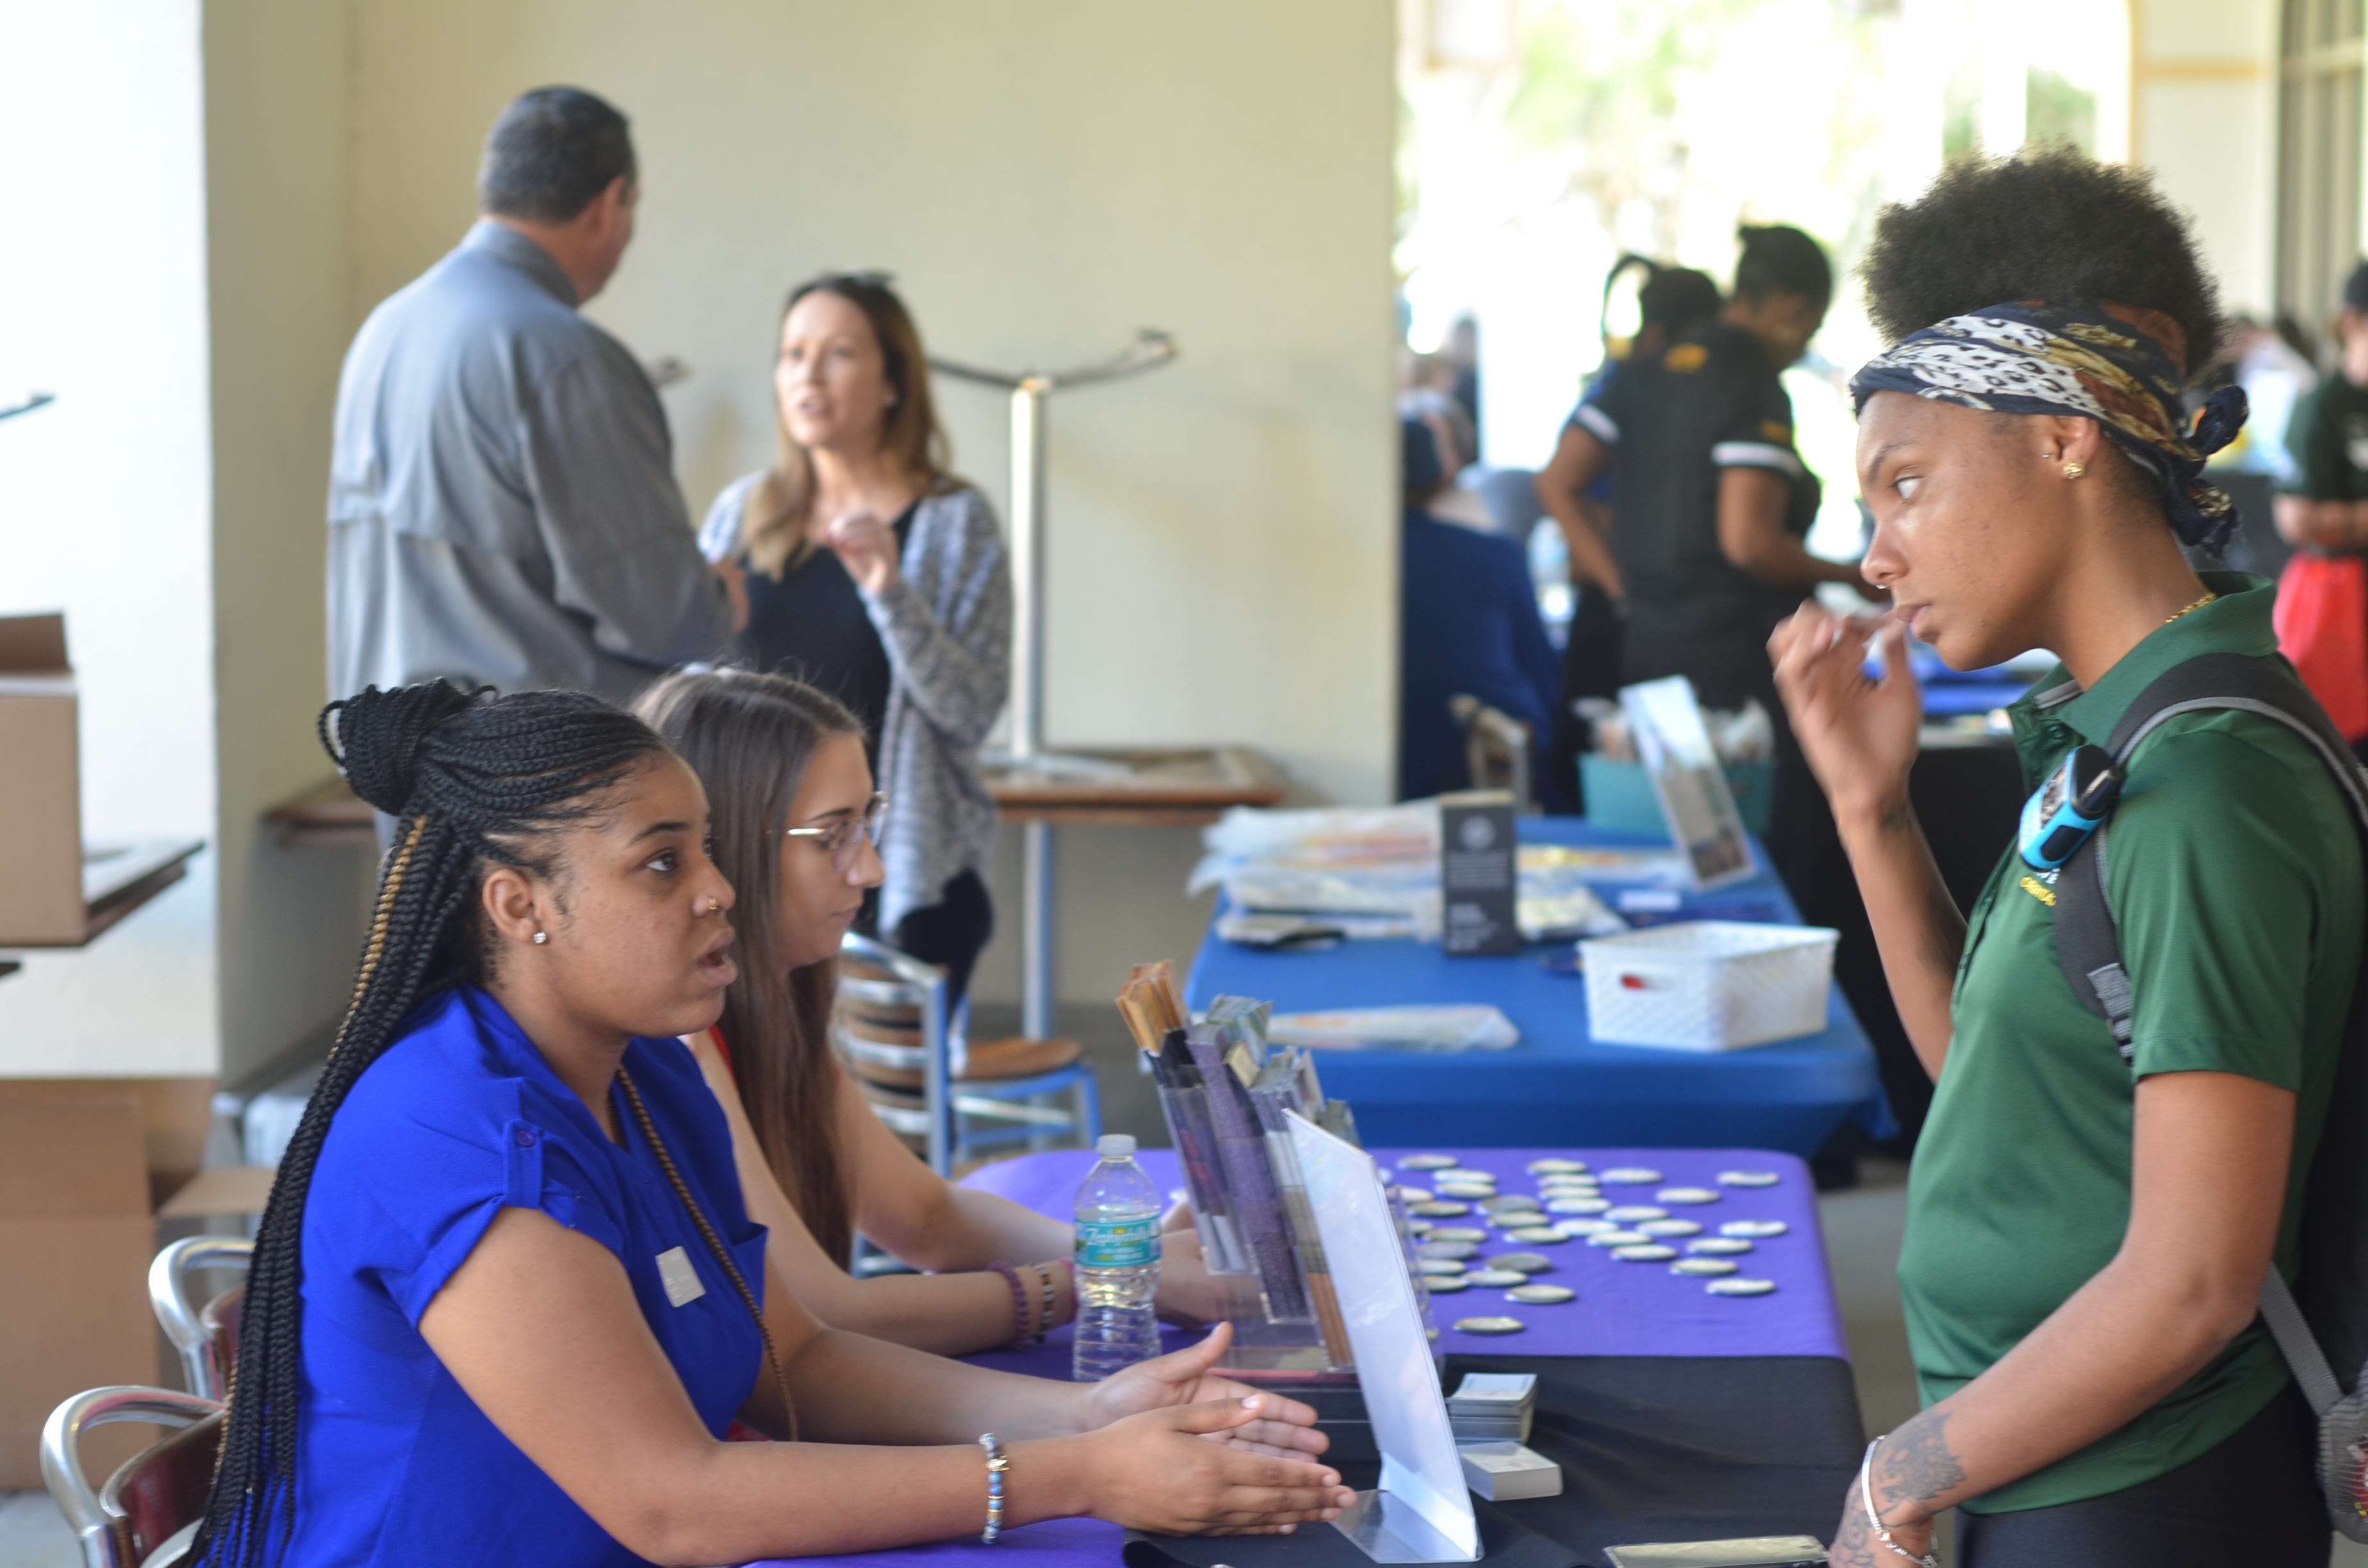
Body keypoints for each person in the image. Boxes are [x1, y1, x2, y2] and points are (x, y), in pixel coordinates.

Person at [195, 681, 1351, 1567]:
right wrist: (1070, 1474)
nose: (717, 889)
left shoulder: (647, 1075)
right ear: (520, 904)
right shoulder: (449, 1133)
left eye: (704, 846)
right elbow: (673, 1499)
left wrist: (1085, 1414)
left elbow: (791, 1358)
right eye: (661, 863)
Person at [1771, 148, 2359, 1565]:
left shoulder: (2205, 781)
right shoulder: (2120, 739)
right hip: (2047, 1459)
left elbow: (2194, 1281)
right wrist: (1873, 810)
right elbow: (1993, 1067)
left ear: (2066, 433)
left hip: (2141, 1495)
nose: (1877, 556)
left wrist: (1899, 1473)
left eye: (1904, 485)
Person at [635, 667, 1237, 1354]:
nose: (871, 870)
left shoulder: (780, 1004)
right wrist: (1105, 1276)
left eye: (869, 824)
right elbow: (827, 1314)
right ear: (731, 845)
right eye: (833, 835)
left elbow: (927, 1216)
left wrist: (1130, 1252)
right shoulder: (684, 1044)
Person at [327, 87, 734, 706]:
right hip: (543, 780)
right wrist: (720, 598)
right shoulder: (569, 358)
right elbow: (664, 617)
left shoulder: (384, 331)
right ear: (610, 203)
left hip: (404, 762)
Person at [699, 274, 1008, 1005]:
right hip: (749, 871)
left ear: (894, 382)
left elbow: (970, 712)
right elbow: (691, 700)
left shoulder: (955, 520)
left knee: (882, 1116)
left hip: (900, 875)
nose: (807, 373)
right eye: (793, 353)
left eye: (837, 353)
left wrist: (889, 594)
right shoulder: (740, 511)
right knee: (751, 1111)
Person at [1536, 261, 1723, 799]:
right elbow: (1560, 490)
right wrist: (1622, 589)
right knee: (1604, 779)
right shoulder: (1626, 387)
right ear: (1661, 336)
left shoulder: (1669, 392)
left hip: (1647, 609)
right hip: (1616, 609)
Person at [1397, 419, 1560, 800]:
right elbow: (1540, 667)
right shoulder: (1493, 554)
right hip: (1484, 760)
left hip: (1396, 762)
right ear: (1443, 474)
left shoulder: (1347, 567)